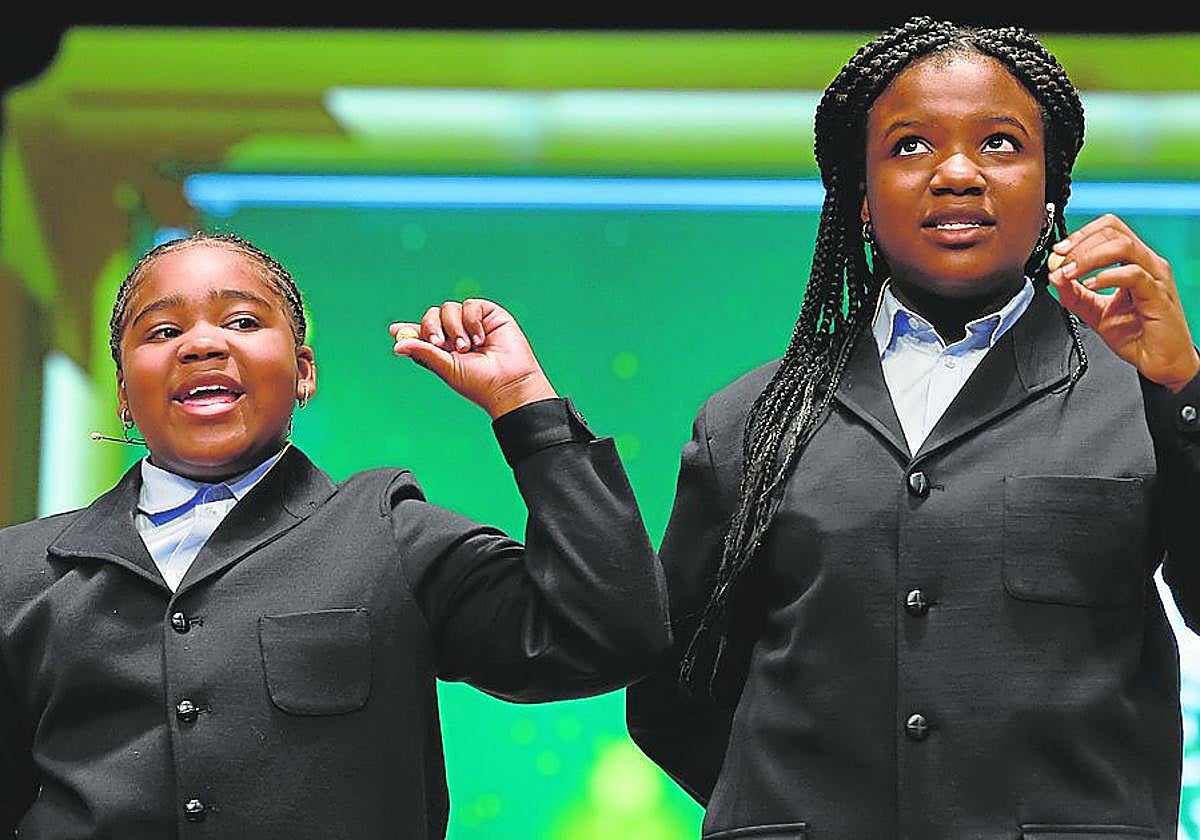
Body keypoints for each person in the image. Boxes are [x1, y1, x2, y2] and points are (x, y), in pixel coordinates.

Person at [627, 16, 1200, 840]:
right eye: (909, 147)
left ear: (1049, 196)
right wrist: (789, 813)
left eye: (1001, 144)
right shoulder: (748, 420)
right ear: (860, 199)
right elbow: (671, 688)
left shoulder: (1146, 395)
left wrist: (1183, 386)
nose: (959, 173)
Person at [0, 232, 669, 839]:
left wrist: (524, 400)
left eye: (241, 321)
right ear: (122, 390)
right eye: (163, 330)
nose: (202, 344)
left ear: (305, 372)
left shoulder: (392, 534)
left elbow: (608, 634)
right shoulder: (20, 572)